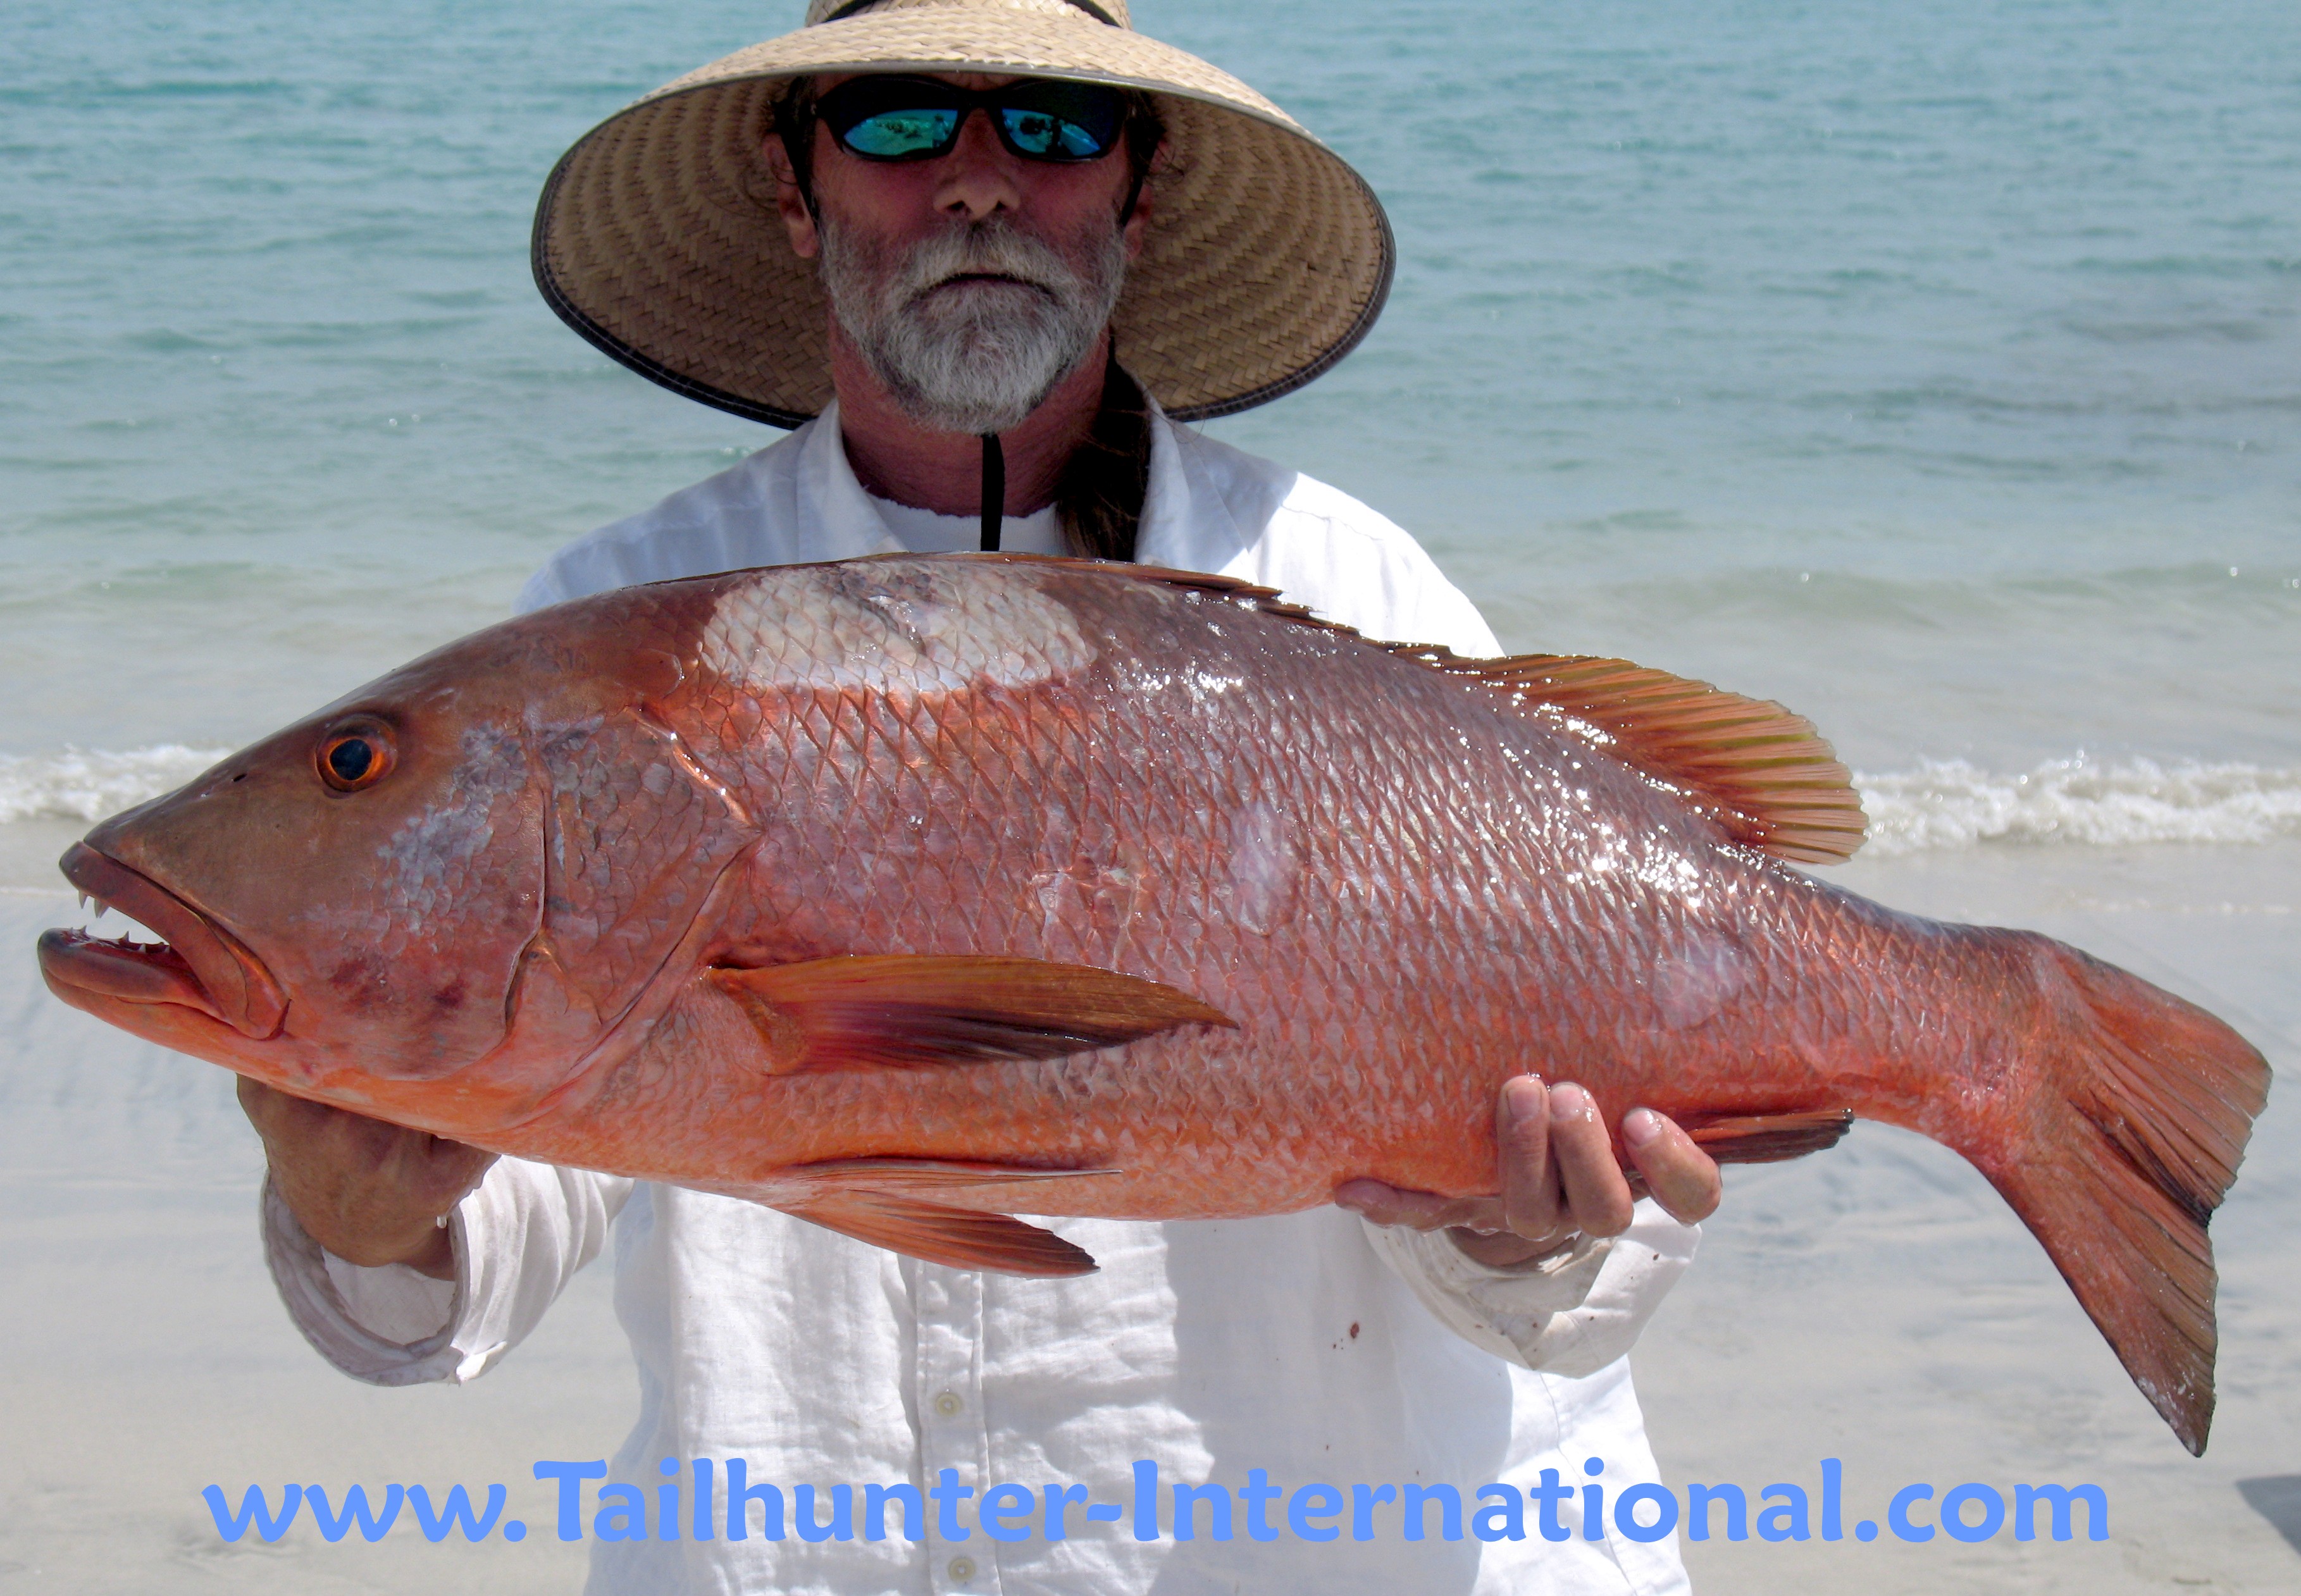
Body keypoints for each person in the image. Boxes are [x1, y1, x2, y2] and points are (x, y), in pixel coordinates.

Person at [242, 3, 1723, 1590]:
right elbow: (501, 1204)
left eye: (1052, 121)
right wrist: (368, 1209)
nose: (974, 178)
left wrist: (1520, 1227)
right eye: (894, 115)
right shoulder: (613, 629)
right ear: (794, 187)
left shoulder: (1351, 592)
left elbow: (1577, 1270)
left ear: (1137, 193)